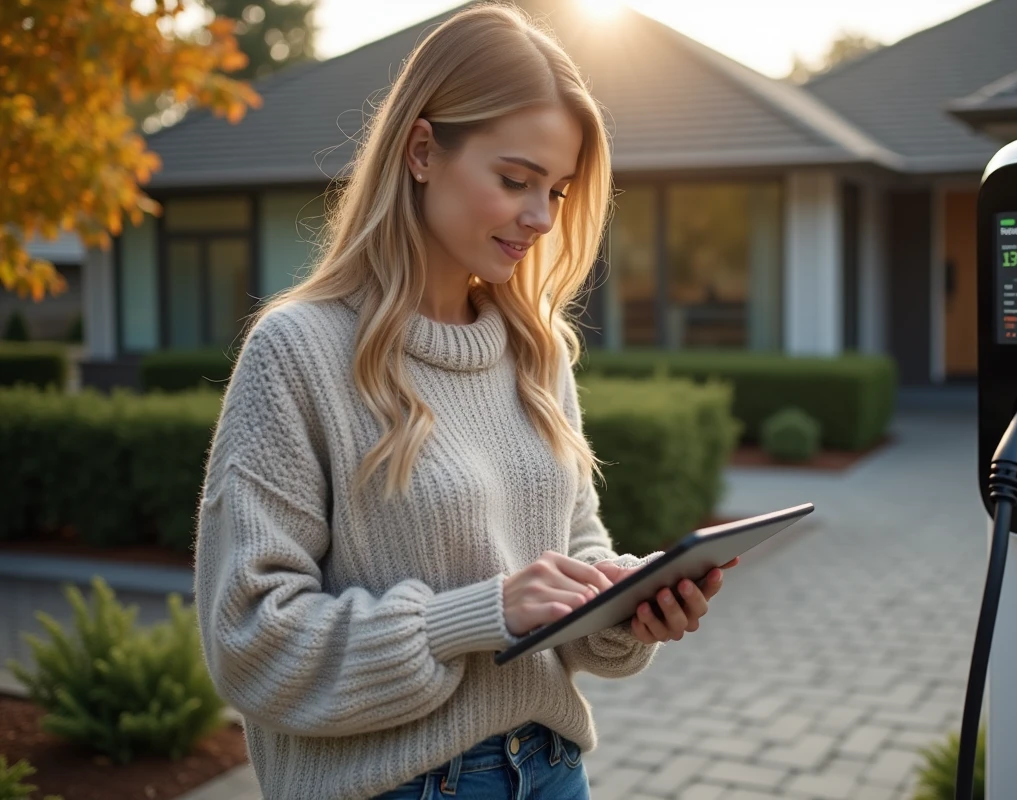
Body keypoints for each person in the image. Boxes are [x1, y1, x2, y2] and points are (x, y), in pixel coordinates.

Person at [193, 4, 738, 799]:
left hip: (552, 769)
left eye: (557, 189)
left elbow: (573, 555)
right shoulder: (298, 352)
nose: (541, 217)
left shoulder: (535, 352)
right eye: (515, 180)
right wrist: (477, 616)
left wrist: (623, 604)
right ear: (421, 151)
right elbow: (250, 642)